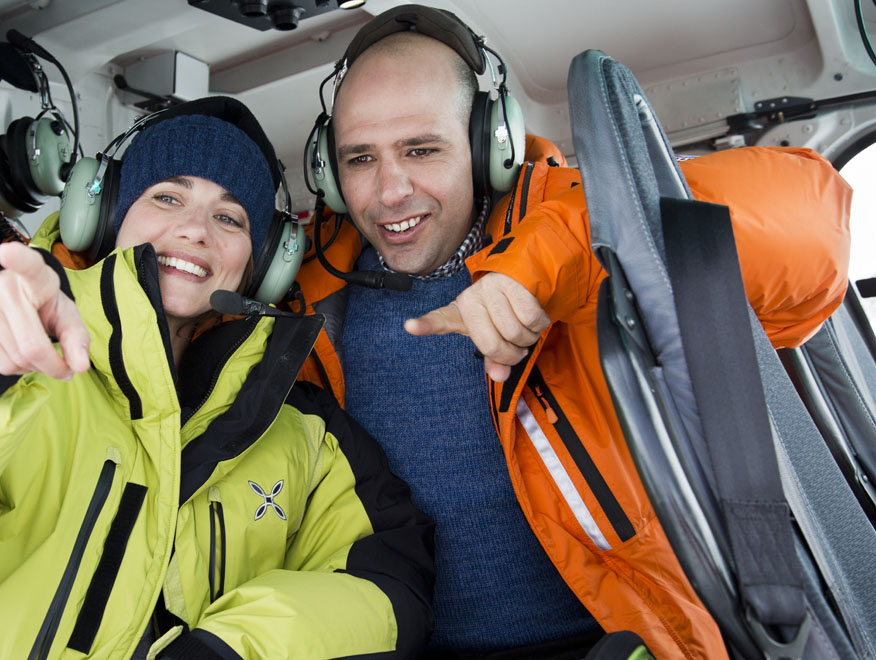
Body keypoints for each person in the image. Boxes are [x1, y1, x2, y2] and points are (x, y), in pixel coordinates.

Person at [0, 98, 435, 659]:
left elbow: (388, 591)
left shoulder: (307, 432)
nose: (194, 230)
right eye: (167, 196)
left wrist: (228, 649)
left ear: (264, 262)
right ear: (107, 214)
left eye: (230, 217)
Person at [291, 5, 851, 660]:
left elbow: (814, 222)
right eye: (360, 158)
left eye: (422, 150)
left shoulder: (570, 217)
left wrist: (552, 262)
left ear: (489, 146)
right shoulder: (309, 295)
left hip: (614, 643)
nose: (389, 192)